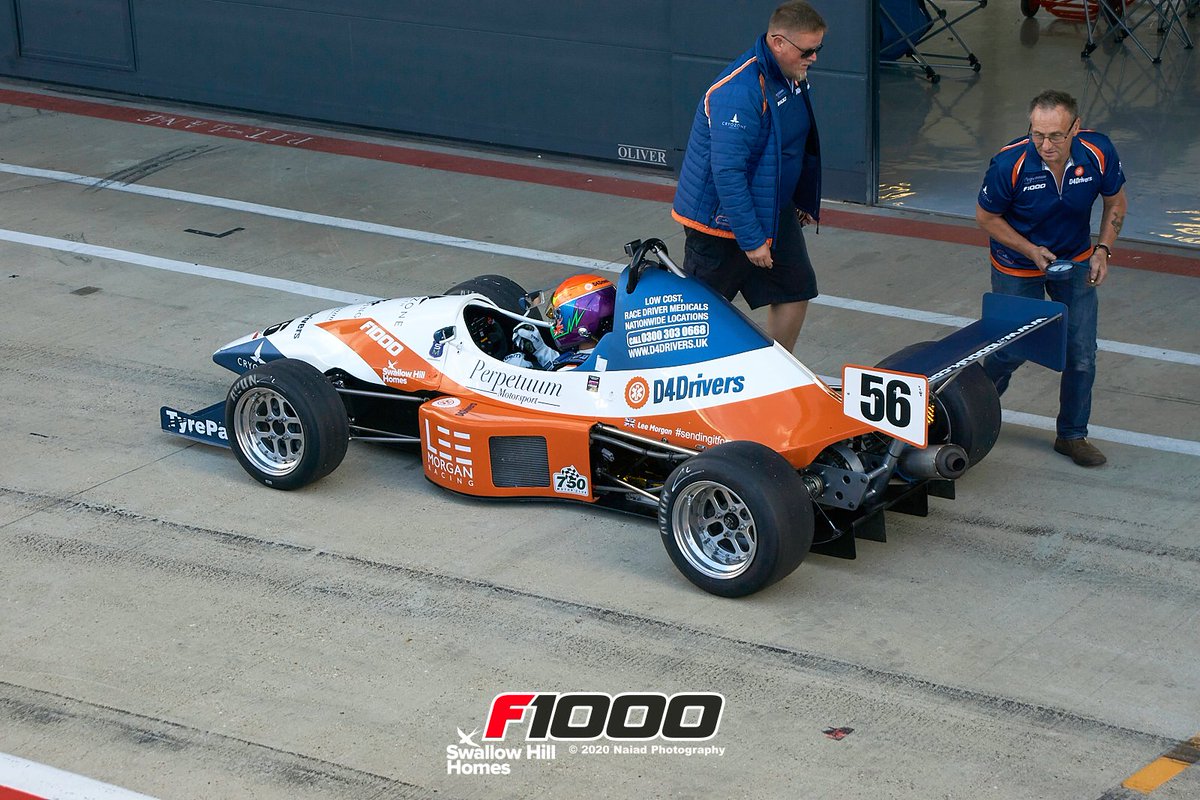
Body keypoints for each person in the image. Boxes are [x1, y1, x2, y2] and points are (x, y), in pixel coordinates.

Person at [975, 89, 1127, 467]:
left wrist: (1103, 250)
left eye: (1056, 135)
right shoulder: (1009, 163)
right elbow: (986, 217)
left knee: (1081, 353)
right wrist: (1030, 250)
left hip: (1074, 260)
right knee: (1011, 349)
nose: (1045, 145)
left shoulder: (1098, 151)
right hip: (1017, 263)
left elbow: (1116, 200)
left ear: (1075, 127)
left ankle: (1072, 435)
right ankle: (971, 413)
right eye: (1038, 134)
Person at [671, 1, 825, 352]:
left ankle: (776, 371)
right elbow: (727, 172)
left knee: (795, 288)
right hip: (719, 223)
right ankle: (687, 373)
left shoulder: (791, 77)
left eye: (818, 48)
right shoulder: (739, 92)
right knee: (697, 316)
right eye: (807, 50)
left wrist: (799, 199)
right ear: (778, 43)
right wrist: (752, 239)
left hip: (771, 209)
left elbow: (793, 145)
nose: (814, 57)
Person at [507, 274, 616, 370]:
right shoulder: (616, 349)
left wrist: (518, 370)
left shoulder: (573, 370)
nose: (555, 322)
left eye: (557, 316)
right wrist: (541, 350)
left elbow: (556, 379)